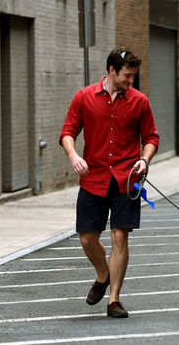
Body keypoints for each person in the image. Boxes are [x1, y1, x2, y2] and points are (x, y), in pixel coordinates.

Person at [59, 48, 159, 318]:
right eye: (127, 75)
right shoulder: (84, 97)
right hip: (93, 178)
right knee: (87, 237)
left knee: (119, 236)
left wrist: (145, 160)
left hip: (127, 180)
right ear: (112, 71)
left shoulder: (139, 101)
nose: (131, 81)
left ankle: (113, 299)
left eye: (133, 76)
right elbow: (68, 132)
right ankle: (102, 273)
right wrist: (74, 155)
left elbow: (151, 137)